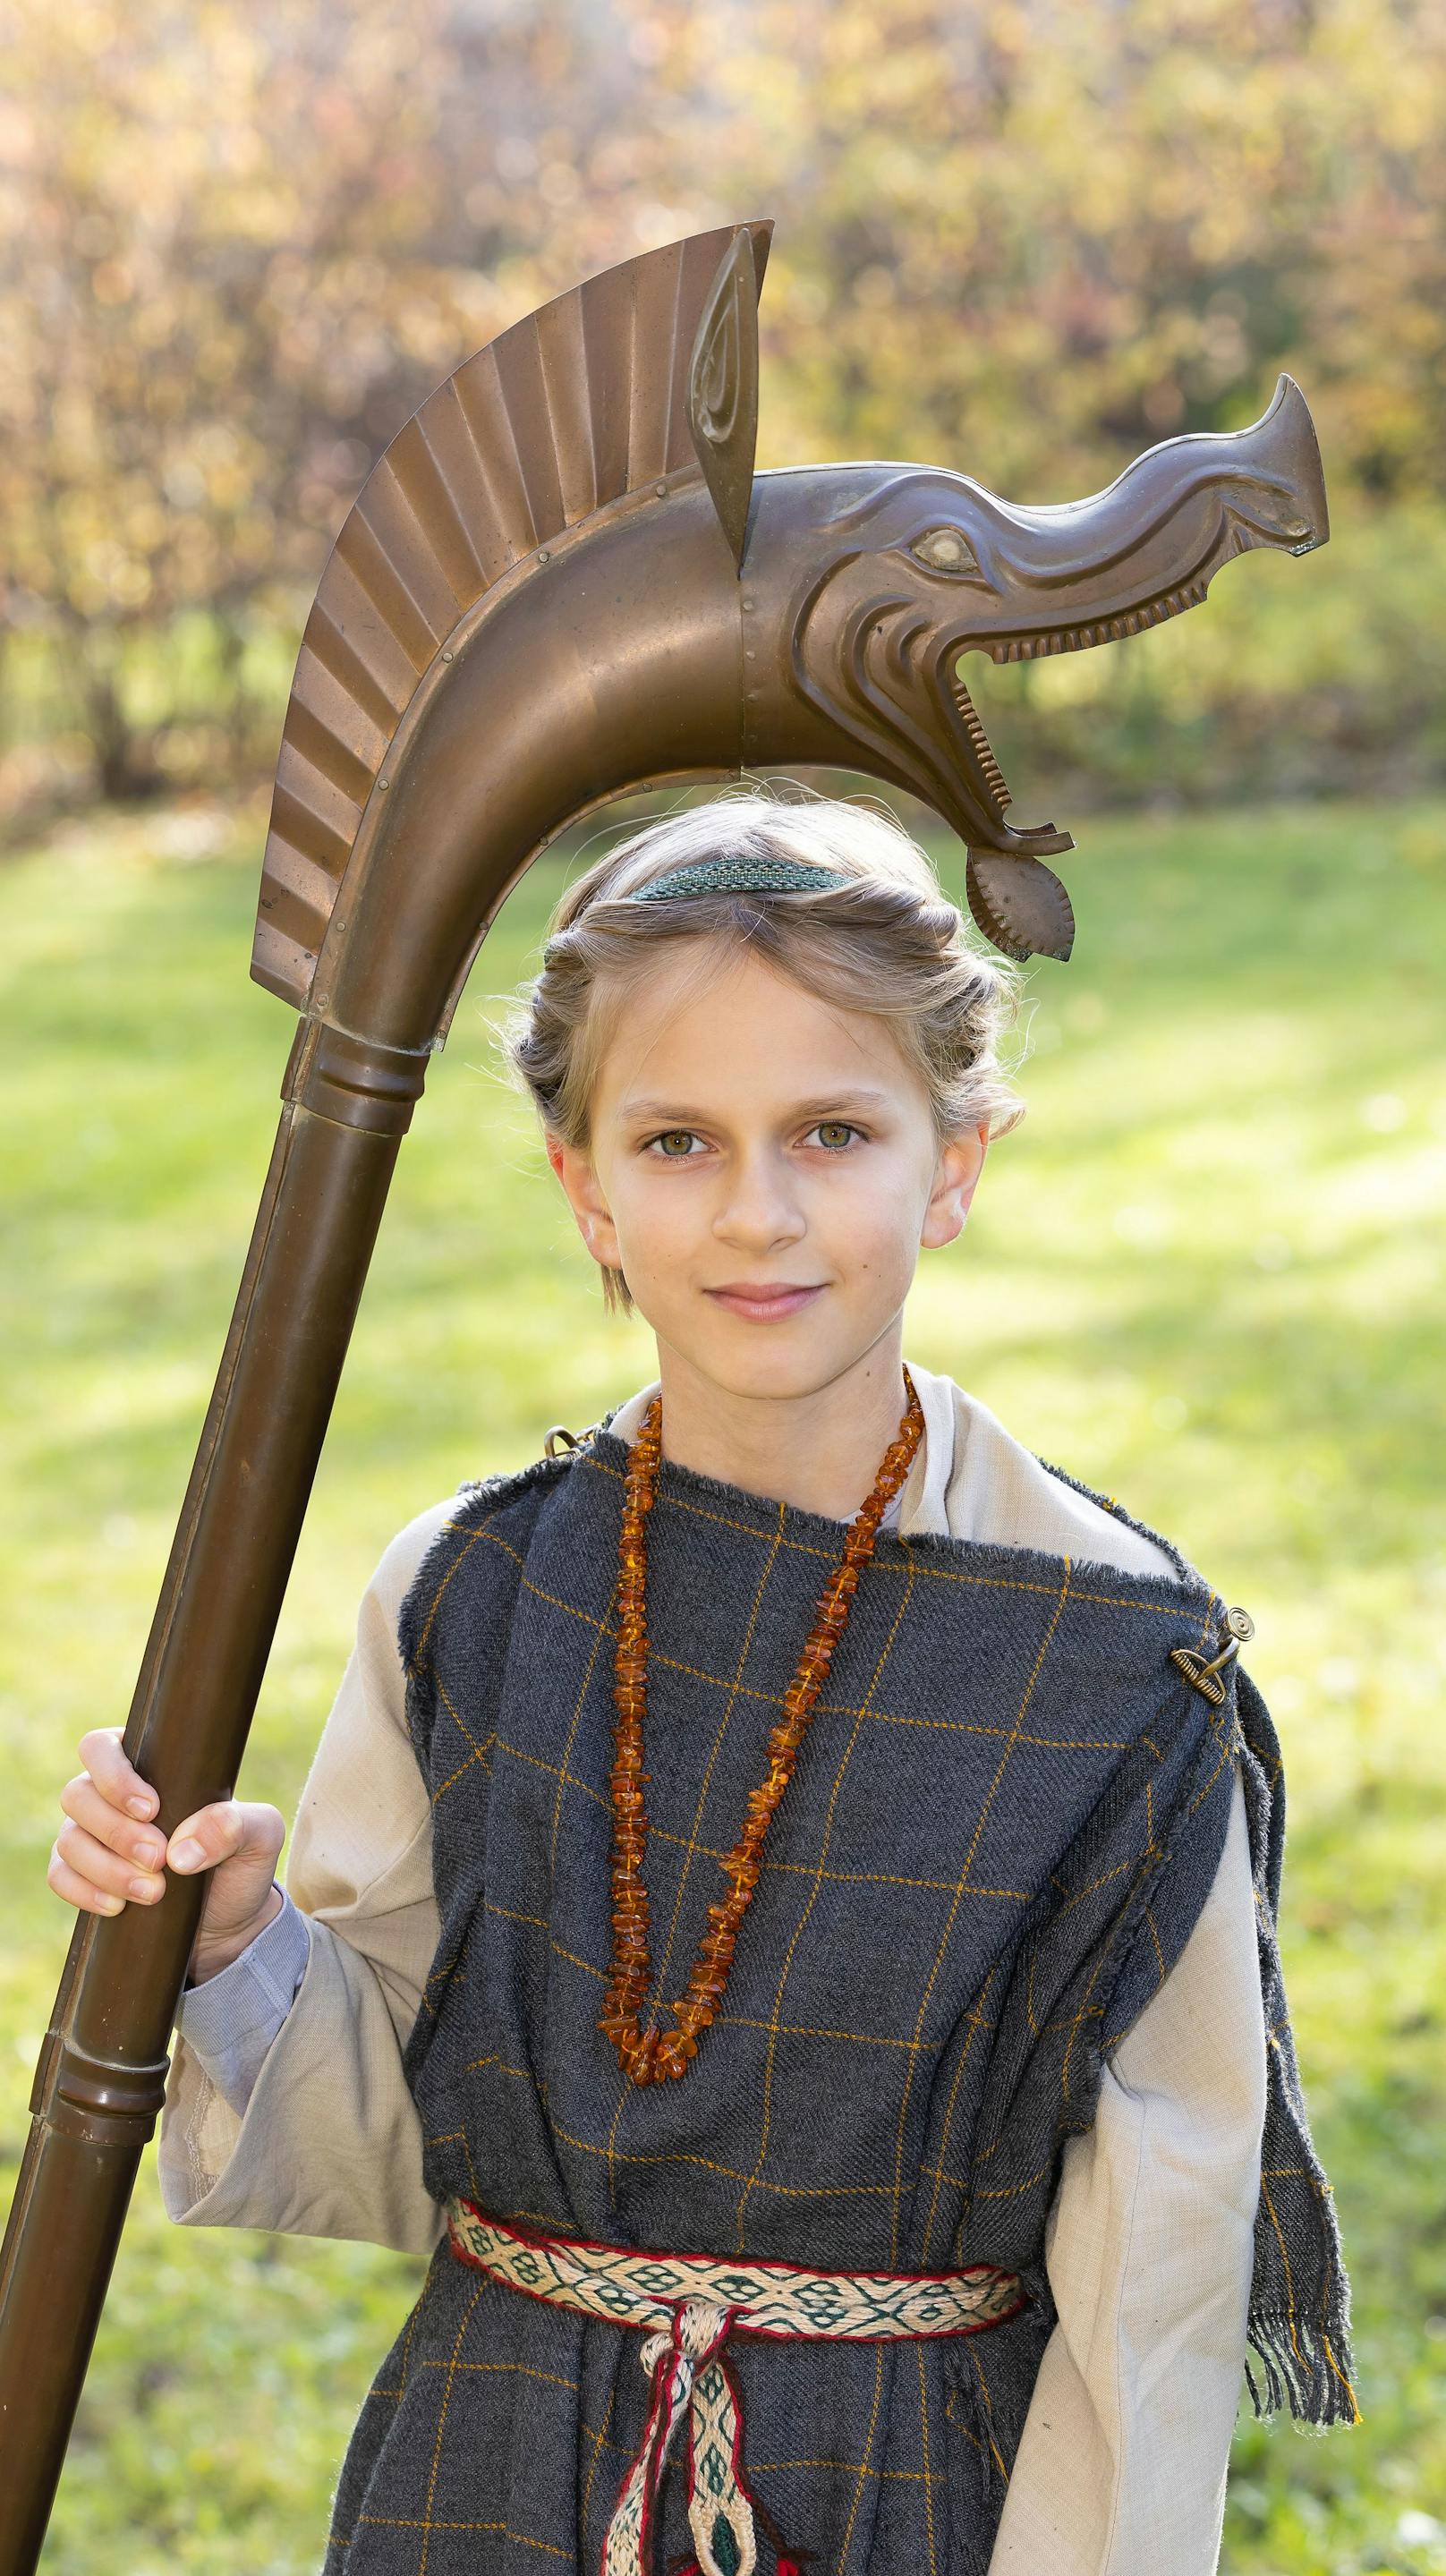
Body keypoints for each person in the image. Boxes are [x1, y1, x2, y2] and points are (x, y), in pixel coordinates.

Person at [46, 790, 1354, 2576]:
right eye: (675, 1142)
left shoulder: (1119, 1661)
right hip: (493, 2467)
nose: (758, 1212)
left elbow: (1160, 2280)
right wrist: (232, 1947)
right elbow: (387, 2135)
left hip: (914, 2498)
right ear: (581, 1186)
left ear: (954, 1158)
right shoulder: (473, 1592)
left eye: (831, 1130)